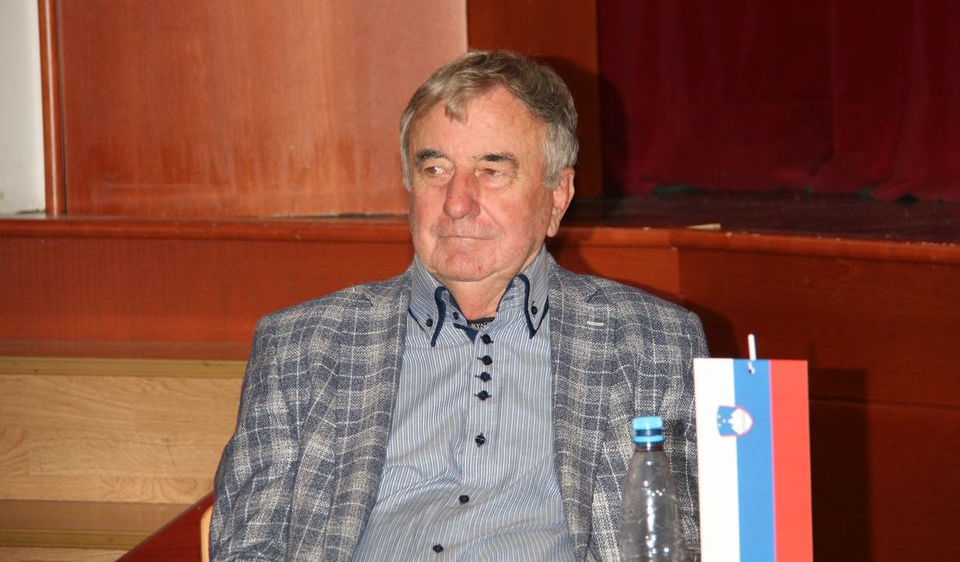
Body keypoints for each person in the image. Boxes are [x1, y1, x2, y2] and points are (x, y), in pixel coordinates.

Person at [211, 50, 708, 561]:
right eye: (435, 169)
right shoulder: (301, 346)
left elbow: (687, 543)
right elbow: (248, 548)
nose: (456, 201)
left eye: (492, 170)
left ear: (558, 195)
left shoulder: (651, 343)